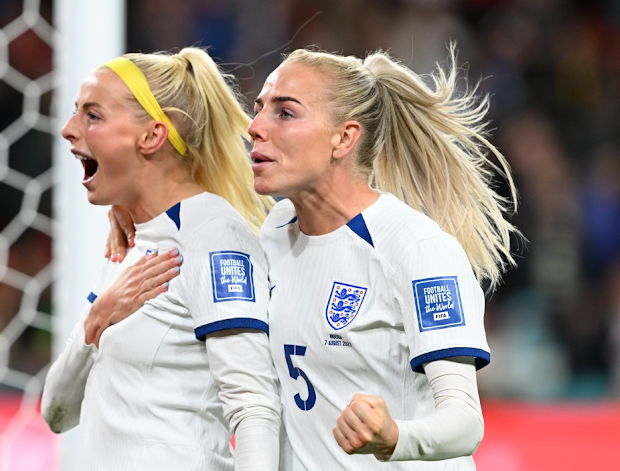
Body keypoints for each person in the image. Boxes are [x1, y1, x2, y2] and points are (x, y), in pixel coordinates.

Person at [106, 44, 519, 469]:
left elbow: (465, 422)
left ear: (344, 138)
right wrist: (141, 208)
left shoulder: (415, 249)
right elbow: (209, 219)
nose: (256, 126)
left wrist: (394, 435)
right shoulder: (276, 232)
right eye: (259, 108)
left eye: (285, 113)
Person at [41, 47, 281, 471]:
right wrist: (98, 319)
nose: (68, 129)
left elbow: (254, 405)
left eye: (92, 116)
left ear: (151, 136)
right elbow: (56, 412)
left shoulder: (212, 236)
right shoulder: (129, 239)